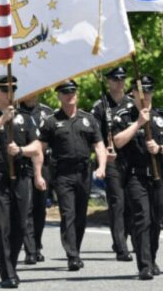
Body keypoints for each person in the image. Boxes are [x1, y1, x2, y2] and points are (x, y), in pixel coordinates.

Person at [0, 75, 45, 289]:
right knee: (1, 226)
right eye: (5, 90)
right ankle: (7, 273)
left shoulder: (25, 118)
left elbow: (37, 146)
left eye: (12, 90)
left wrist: (21, 151)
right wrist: (2, 120)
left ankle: (11, 266)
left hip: (21, 176)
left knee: (20, 226)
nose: (9, 94)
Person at [113, 75, 163, 280]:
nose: (145, 96)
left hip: (158, 175)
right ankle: (144, 265)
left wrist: (160, 148)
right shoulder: (123, 116)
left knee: (155, 219)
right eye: (141, 92)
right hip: (135, 176)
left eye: (149, 92)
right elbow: (117, 141)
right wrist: (138, 123)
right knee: (142, 218)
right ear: (133, 93)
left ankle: (151, 258)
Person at [39, 79, 108, 271]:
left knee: (80, 216)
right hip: (62, 174)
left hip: (84, 172)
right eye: (66, 92)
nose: (71, 95)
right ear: (59, 96)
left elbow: (99, 145)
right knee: (67, 213)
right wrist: (38, 173)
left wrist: (101, 166)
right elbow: (40, 149)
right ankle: (72, 255)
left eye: (73, 92)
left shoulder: (88, 119)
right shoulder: (51, 121)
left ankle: (75, 248)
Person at [91, 66, 134, 262]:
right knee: (117, 202)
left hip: (131, 160)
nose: (119, 82)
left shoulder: (133, 105)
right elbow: (95, 135)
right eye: (115, 79)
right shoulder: (100, 106)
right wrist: (102, 154)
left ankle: (121, 239)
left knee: (131, 203)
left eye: (122, 78)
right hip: (111, 160)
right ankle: (121, 247)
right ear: (108, 81)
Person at [19, 96, 53, 264]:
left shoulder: (47, 112)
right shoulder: (16, 112)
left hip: (44, 164)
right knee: (27, 208)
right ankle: (30, 249)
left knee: (40, 208)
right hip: (24, 165)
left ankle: (37, 244)